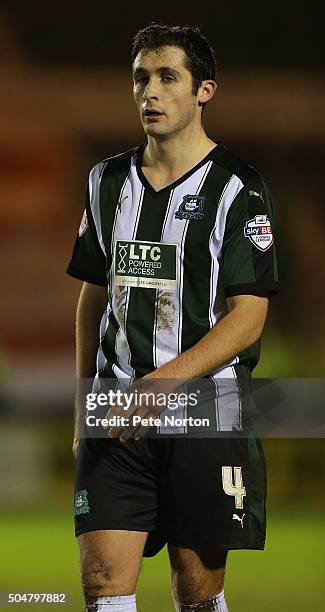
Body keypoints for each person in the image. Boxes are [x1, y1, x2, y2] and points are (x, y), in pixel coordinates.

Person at [67, 23, 279, 612]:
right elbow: (93, 295)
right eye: (140, 79)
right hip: (116, 411)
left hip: (206, 414)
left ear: (204, 90)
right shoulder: (106, 182)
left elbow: (249, 317)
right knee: (103, 587)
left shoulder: (239, 189)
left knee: (197, 593)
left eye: (167, 78)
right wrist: (88, 401)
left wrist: (161, 385)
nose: (149, 93)